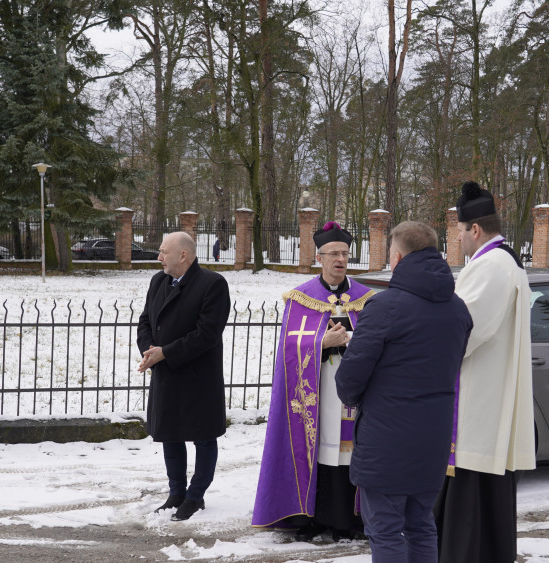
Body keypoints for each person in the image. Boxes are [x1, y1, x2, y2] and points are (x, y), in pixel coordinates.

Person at [333, 221, 472, 563]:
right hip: (432, 435)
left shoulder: (385, 306)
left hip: (387, 436)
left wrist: (355, 399)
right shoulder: (458, 309)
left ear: (396, 257)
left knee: (387, 531)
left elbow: (351, 376)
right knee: (421, 527)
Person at [433, 181, 537, 563]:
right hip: (487, 388)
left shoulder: (491, 265)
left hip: (478, 390)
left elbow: (465, 327)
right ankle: (479, 560)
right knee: (481, 477)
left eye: (458, 231)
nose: (457, 239)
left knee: (466, 478)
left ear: (474, 229)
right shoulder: (502, 262)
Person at [251, 221, 375, 541]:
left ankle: (352, 518)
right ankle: (316, 517)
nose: (340, 259)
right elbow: (289, 348)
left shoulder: (365, 297)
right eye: (333, 253)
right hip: (317, 390)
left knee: (350, 450)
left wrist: (351, 341)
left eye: (345, 253)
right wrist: (323, 344)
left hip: (354, 390)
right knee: (321, 450)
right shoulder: (301, 298)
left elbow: (378, 340)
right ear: (319, 257)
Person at [136, 231, 231, 521]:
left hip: (197, 376)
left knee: (203, 437)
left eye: (164, 251)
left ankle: (195, 495)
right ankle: (176, 492)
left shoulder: (212, 284)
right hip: (166, 373)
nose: (159, 257)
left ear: (183, 256)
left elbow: (207, 334)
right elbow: (145, 321)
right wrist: (150, 350)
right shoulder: (158, 281)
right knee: (170, 435)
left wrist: (167, 352)